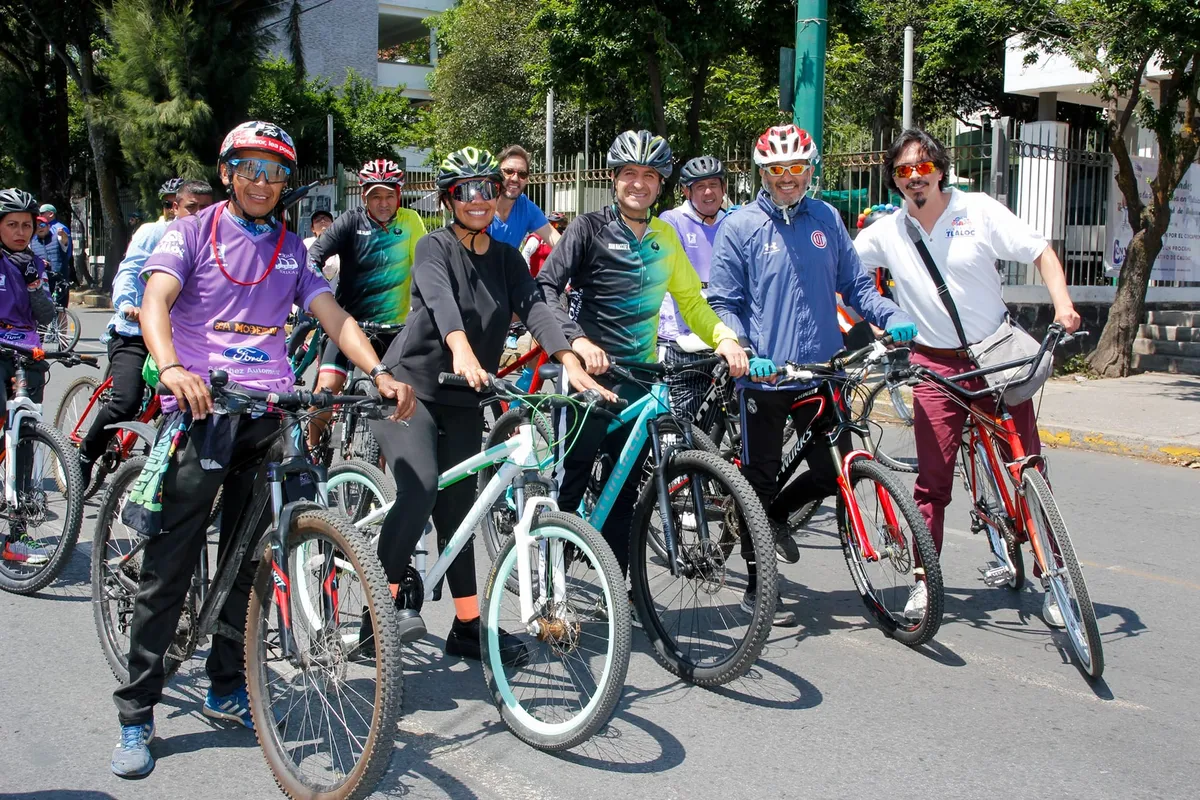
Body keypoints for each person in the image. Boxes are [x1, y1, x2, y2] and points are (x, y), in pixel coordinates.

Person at [109, 121, 416, 780]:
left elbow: (333, 314)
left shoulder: (288, 248)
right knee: (171, 565)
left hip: (269, 409)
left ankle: (227, 686)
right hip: (202, 411)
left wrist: (377, 373)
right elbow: (155, 302)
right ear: (227, 173)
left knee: (251, 566)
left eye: (273, 172)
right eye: (248, 168)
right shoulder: (187, 233)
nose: (260, 182)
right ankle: (136, 711)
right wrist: (168, 368)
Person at [366, 147, 614, 661]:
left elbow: (538, 306)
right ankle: (376, 613)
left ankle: (466, 625)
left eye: (486, 188)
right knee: (421, 491)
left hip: (462, 394)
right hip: (408, 388)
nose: (478, 199)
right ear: (447, 199)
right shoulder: (432, 247)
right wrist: (459, 346)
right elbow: (440, 300)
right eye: (464, 191)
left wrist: (568, 358)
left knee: (459, 512)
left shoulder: (504, 258)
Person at [853, 127, 1081, 627]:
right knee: (933, 484)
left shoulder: (976, 210)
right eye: (904, 171)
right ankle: (921, 580)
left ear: (940, 169)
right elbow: (842, 273)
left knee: (1027, 466)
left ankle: (1054, 577)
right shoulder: (888, 231)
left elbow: (1040, 251)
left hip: (995, 353)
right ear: (894, 180)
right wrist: (871, 324)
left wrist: (1063, 305)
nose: (915, 178)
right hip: (933, 366)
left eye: (923, 167)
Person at [708, 124, 917, 625]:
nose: (788, 178)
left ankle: (776, 516)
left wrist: (888, 315)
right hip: (766, 375)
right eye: (777, 170)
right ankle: (760, 583)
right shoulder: (740, 227)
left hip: (824, 371)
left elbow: (855, 286)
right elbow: (724, 301)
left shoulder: (827, 219)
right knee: (758, 478)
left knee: (830, 472)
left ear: (810, 170)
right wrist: (744, 347)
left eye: (797, 168)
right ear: (763, 173)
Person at [538, 130, 748, 575]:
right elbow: (547, 288)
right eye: (629, 174)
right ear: (615, 180)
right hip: (589, 375)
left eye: (648, 175)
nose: (639, 183)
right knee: (571, 479)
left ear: (660, 183)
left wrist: (725, 338)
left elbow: (691, 303)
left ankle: (617, 589)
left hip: (642, 378)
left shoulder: (665, 239)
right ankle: (551, 581)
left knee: (625, 484)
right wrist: (576, 342)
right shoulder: (588, 229)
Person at [77, 180, 215, 488]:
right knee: (126, 401)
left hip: (181, 335)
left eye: (206, 208)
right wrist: (128, 304)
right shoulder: (154, 233)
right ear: (173, 207)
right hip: (136, 332)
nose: (199, 215)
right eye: (191, 208)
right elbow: (129, 271)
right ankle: (86, 454)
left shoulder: (214, 241)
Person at [304, 158, 425, 447]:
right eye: (376, 197)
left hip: (392, 329)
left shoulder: (411, 222)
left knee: (394, 400)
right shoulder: (350, 221)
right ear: (364, 196)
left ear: (399, 194)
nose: (383, 203)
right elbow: (313, 257)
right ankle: (309, 445)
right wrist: (315, 293)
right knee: (327, 389)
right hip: (348, 326)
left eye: (389, 196)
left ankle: (376, 475)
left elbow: (425, 266)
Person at [0, 189, 58, 565]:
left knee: (23, 438)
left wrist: (35, 283)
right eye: (12, 225)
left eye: (27, 225)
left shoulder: (33, 262)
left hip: (28, 352)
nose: (21, 232)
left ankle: (17, 536)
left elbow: (47, 315)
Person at [657, 155, 729, 421]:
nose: (708, 192)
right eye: (700, 186)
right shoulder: (672, 221)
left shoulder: (733, 222)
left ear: (724, 188)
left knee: (717, 424)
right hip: (680, 339)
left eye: (714, 184)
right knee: (680, 424)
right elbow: (678, 283)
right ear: (687, 191)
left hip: (721, 337)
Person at [488, 144, 560, 250]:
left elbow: (555, 240)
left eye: (522, 174)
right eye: (509, 171)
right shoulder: (482, 204)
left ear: (527, 180)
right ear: (498, 174)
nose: (515, 178)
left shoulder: (526, 208)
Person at [520, 210, 566, 276]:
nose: (558, 227)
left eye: (563, 225)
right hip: (536, 278)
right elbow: (525, 253)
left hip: (554, 279)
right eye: (553, 224)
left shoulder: (562, 238)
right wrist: (527, 274)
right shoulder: (537, 238)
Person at [37, 202, 73, 284]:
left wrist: (61, 263)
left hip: (58, 271)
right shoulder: (36, 235)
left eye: (42, 213)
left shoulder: (60, 228)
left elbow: (67, 249)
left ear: (51, 214)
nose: (40, 215)